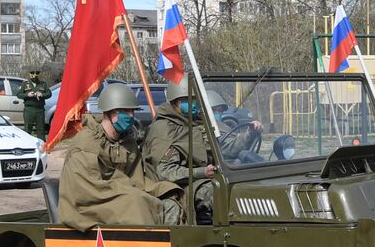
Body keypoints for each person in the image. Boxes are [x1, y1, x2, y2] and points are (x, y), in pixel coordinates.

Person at [59, 81, 182, 229]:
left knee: (170, 199)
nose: (130, 116)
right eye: (124, 111)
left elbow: (137, 180)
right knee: (136, 202)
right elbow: (87, 189)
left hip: (119, 196)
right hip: (88, 205)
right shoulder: (86, 143)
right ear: (109, 113)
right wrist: (128, 191)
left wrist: (161, 189)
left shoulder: (127, 142)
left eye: (132, 111)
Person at [143, 75, 262, 222]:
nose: (194, 104)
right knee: (222, 195)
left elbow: (225, 148)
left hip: (207, 177)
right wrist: (202, 172)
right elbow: (165, 172)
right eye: (188, 101)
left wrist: (250, 134)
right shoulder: (164, 130)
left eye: (196, 100)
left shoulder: (200, 122)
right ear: (175, 102)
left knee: (250, 188)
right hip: (177, 186)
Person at [20, 70, 50, 139]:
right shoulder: (25, 84)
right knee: (27, 129)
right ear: (30, 76)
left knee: (41, 129)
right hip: (29, 109)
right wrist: (27, 94)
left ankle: (42, 146)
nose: (34, 78)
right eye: (33, 76)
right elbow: (19, 94)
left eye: (36, 76)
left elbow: (49, 94)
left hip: (40, 110)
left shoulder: (43, 84)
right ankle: (27, 145)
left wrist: (42, 94)